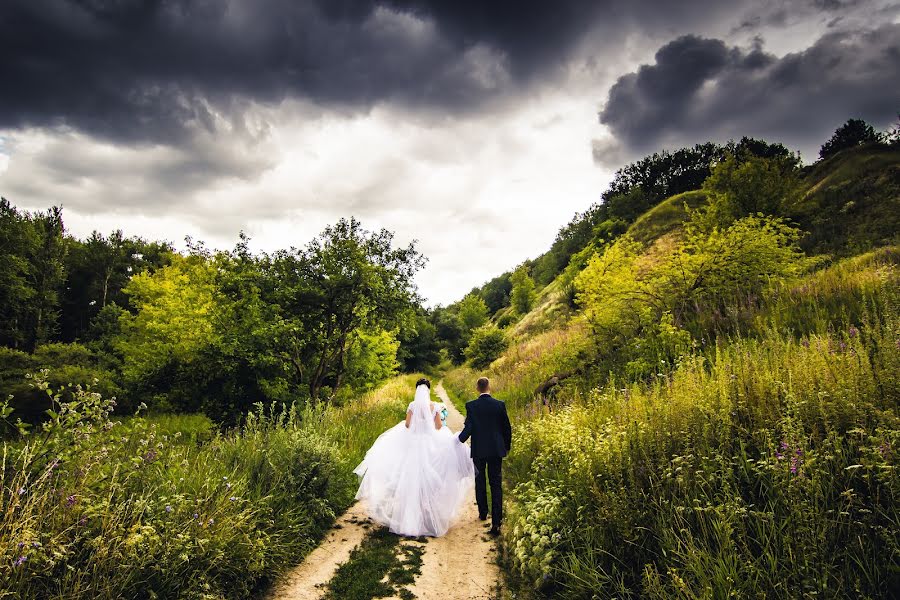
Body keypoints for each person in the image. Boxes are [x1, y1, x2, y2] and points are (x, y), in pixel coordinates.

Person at [354, 378, 474, 537]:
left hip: (414, 443)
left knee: (411, 477)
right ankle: (428, 513)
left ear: (417, 390)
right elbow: (438, 426)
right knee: (430, 476)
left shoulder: (412, 405)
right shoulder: (434, 406)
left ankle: (409, 515)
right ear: (429, 390)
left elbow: (408, 425)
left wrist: (418, 424)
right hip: (430, 444)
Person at [457, 377, 512, 536]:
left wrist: (458, 440)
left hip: (479, 450)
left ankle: (482, 512)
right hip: (496, 450)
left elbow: (469, 428)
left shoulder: (472, 406)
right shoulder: (499, 405)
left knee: (480, 480)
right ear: (489, 387)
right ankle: (496, 522)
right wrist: (506, 447)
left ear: (477, 388)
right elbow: (506, 428)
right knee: (496, 484)